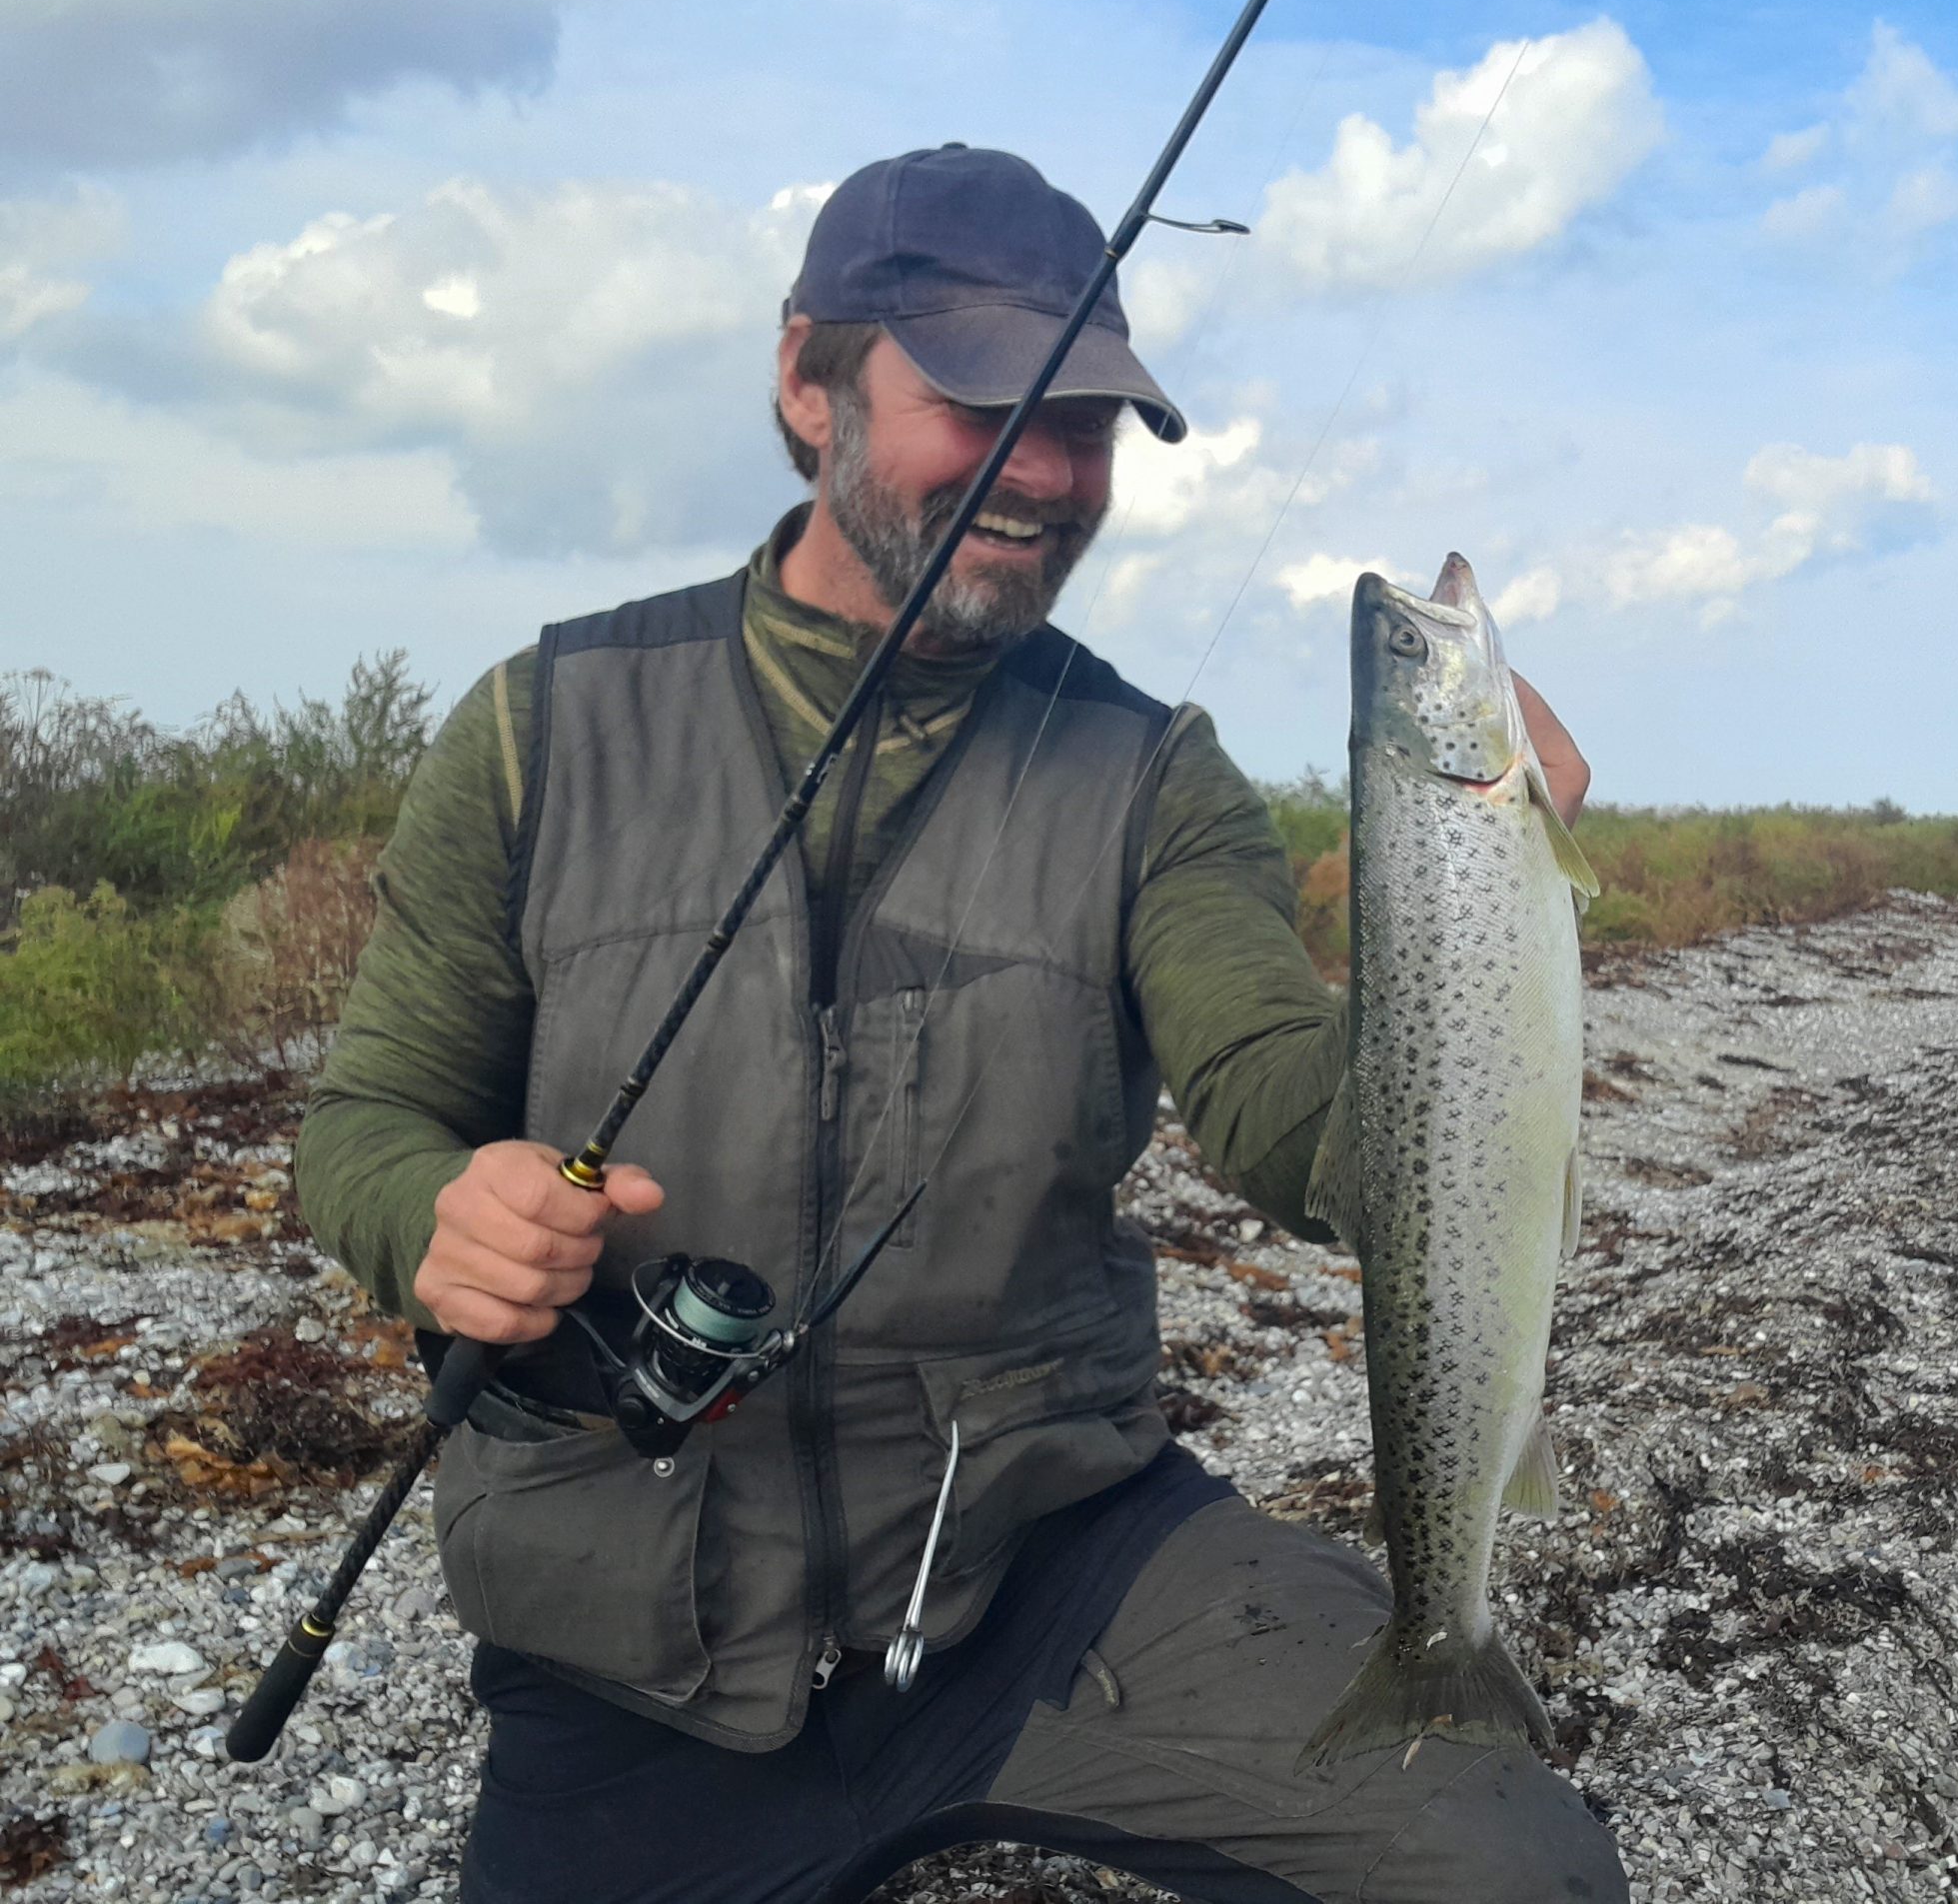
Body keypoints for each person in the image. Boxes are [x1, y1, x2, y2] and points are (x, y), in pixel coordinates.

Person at [298, 144, 1624, 1904]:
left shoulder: (1157, 779)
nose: (1049, 473)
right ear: (806, 379)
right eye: (986, 398)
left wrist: (1460, 941)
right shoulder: (544, 729)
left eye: (1090, 422)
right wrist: (436, 1225)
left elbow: (1308, 1138)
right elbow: (366, 1124)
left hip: (1043, 1557)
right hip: (633, 1617)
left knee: (1504, 1870)